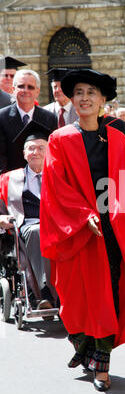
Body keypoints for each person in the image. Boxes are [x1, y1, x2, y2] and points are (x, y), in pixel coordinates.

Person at [39, 69, 125, 392]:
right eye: (79, 93)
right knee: (75, 299)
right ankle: (84, 345)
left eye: (91, 93)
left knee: (107, 296)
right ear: (72, 99)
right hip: (76, 231)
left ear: (103, 101)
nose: (84, 98)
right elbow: (55, 186)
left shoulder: (117, 137)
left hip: (111, 231)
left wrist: (124, 220)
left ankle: (102, 365)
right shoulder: (60, 139)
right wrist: (84, 215)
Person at [0, 121, 57, 310]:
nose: (36, 152)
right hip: (27, 226)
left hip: (58, 225)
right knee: (38, 231)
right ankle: (43, 293)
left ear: (48, 152)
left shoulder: (60, 176)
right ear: (24, 154)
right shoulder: (9, 179)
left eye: (41, 148)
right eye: (31, 148)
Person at [0, 69, 57, 174]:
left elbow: (53, 153)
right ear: (13, 89)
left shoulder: (50, 118)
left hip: (42, 179)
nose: (25, 90)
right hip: (12, 180)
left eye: (30, 87)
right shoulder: (2, 117)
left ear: (37, 91)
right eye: (21, 86)